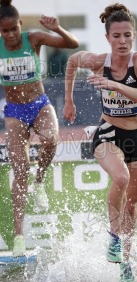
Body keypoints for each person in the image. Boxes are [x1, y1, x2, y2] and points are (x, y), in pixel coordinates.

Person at [64, 3, 137, 282]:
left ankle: (125, 261)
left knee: (132, 204)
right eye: (117, 36)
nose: (123, 41)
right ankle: (113, 237)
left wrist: (116, 86)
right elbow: (71, 61)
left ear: (134, 35)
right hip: (108, 132)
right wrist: (69, 100)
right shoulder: (97, 60)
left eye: (128, 35)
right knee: (121, 177)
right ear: (107, 38)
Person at [0, 0, 79, 257]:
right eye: (5, 31)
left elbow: (72, 44)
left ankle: (41, 180)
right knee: (19, 168)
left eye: (14, 29)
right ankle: (19, 237)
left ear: (21, 26)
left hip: (39, 104)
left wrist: (59, 29)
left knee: (50, 140)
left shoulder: (32, 39)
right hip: (14, 112)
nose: (11, 35)